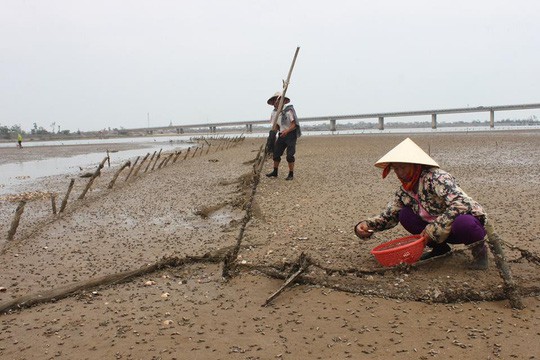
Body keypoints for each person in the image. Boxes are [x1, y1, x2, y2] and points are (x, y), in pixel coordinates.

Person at [354, 137, 489, 270]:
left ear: (415, 166)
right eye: (396, 168)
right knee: (405, 215)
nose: (400, 173)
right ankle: (440, 249)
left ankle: (480, 254)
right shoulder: (405, 191)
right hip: (436, 232)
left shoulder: (438, 178)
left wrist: (432, 230)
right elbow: (390, 216)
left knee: (463, 222)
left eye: (403, 167)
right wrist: (365, 226)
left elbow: (462, 204)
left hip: (462, 229)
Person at [265, 92, 300, 180]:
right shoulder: (274, 113)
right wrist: (273, 134)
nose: (275, 102)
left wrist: (287, 131)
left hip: (291, 133)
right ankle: (275, 172)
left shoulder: (289, 110)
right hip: (282, 134)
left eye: (278, 100)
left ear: (283, 101)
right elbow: (276, 125)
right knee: (276, 153)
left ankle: (291, 174)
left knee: (290, 155)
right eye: (274, 101)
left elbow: (294, 124)